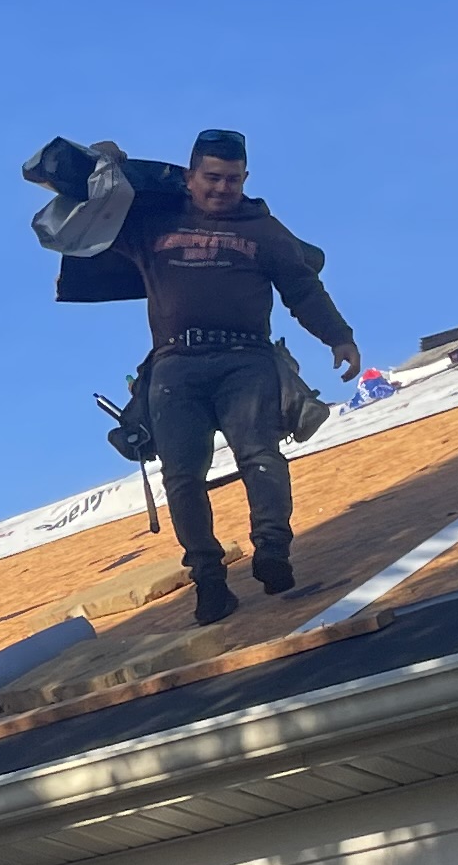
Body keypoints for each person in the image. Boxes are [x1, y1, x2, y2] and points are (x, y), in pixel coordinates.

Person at [24, 126, 364, 622]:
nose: (221, 188)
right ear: (191, 176)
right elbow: (92, 216)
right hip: (174, 367)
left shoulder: (263, 231)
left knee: (260, 455)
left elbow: (303, 288)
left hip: (246, 360)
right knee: (182, 476)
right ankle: (208, 579)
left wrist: (340, 336)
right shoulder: (152, 221)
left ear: (245, 178)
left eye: (232, 179)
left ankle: (272, 549)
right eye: (212, 177)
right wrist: (103, 167)